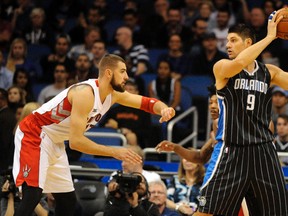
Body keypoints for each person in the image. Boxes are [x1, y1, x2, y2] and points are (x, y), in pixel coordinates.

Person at [12, 54, 175, 216]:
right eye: (123, 71)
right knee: (32, 194)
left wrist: (164, 109)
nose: (127, 76)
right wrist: (114, 151)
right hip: (35, 133)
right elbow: (76, 143)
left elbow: (146, 103)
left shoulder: (113, 94)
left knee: (67, 201)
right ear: (109, 73)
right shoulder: (85, 93)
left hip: (55, 140)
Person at [193, 11, 288, 215]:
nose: (227, 44)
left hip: (263, 151)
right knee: (206, 211)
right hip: (232, 150)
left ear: (248, 44)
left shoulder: (269, 72)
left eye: (233, 40)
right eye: (227, 40)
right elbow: (237, 65)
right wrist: (270, 37)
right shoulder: (221, 67)